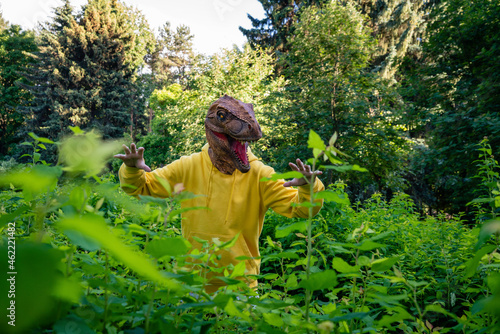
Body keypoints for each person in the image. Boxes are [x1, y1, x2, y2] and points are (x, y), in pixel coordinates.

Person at [115, 95, 324, 293]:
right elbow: (143, 188)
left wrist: (308, 187)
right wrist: (132, 170)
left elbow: (302, 210)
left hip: (240, 284)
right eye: (223, 117)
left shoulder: (261, 174)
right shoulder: (189, 166)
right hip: (193, 282)